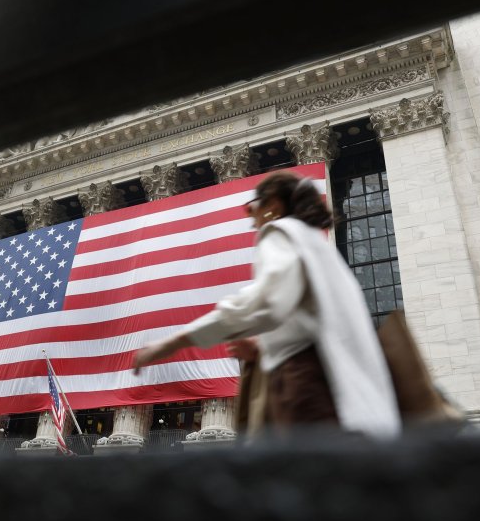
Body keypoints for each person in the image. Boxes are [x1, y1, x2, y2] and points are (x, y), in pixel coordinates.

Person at [132, 171, 401, 440]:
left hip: (305, 382)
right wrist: (263, 347)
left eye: (251, 207)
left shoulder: (278, 232)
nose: (250, 221)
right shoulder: (314, 245)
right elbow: (309, 316)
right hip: (348, 390)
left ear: (273, 204)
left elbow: (266, 301)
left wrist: (173, 342)